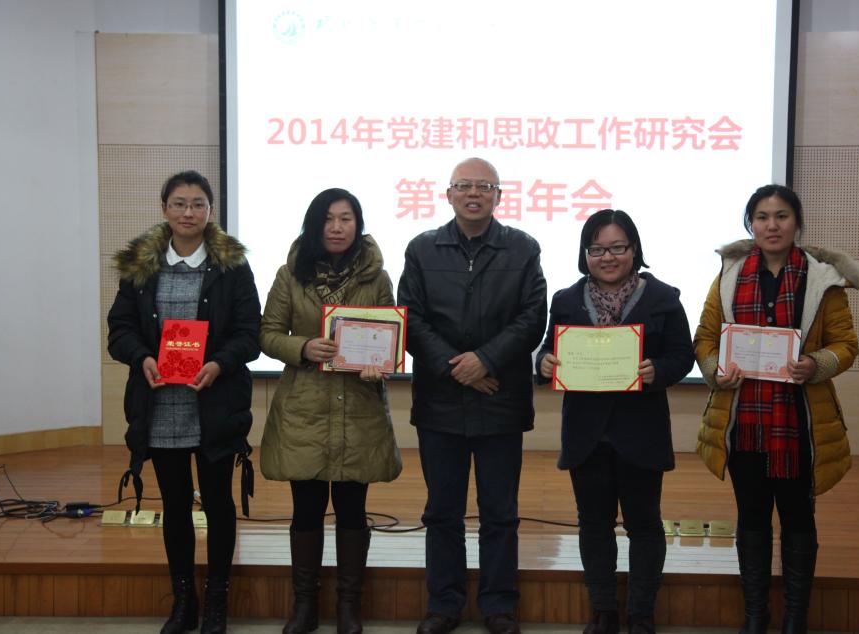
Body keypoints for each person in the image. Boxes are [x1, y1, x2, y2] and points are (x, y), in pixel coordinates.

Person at [694, 185, 859, 634]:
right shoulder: (729, 276)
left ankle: (794, 618)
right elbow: (705, 338)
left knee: (797, 516)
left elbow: (846, 345)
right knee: (751, 516)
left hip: (799, 421)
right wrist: (715, 370)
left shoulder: (822, 280)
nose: (772, 225)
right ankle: (756, 615)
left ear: (797, 223)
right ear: (750, 224)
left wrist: (816, 364)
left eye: (782, 216)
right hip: (743, 419)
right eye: (762, 217)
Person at [397, 158, 547, 634]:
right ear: (449, 194)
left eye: (484, 186)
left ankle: (499, 604)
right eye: (464, 186)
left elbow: (532, 317)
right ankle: (444, 604)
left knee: (500, 513)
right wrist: (459, 368)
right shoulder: (422, 249)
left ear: (499, 196)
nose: (474, 194)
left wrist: (485, 359)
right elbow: (411, 319)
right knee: (442, 512)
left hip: (501, 398)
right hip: (440, 403)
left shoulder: (523, 248)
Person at [108, 170, 261, 634]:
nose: (188, 212)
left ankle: (216, 601)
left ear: (210, 211)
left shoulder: (232, 267)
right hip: (160, 406)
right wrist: (142, 357)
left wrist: (218, 363)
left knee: (217, 503)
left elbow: (249, 334)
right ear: (164, 209)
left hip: (214, 404)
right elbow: (119, 330)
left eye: (198, 204)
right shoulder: (141, 266)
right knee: (175, 506)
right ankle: (183, 602)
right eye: (179, 203)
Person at [535, 210, 693, 634]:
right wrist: (544, 362)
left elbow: (683, 355)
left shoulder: (662, 297)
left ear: (634, 250)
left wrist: (658, 370)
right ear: (585, 254)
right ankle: (603, 610)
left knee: (644, 525)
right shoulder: (566, 300)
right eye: (597, 249)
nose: (607, 257)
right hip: (587, 434)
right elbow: (548, 350)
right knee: (594, 525)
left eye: (617, 247)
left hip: (641, 431)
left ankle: (641, 613)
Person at [259, 188, 402, 634]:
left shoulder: (377, 278)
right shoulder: (290, 274)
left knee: (352, 508)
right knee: (306, 508)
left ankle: (348, 607)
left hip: (358, 406)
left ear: (358, 225)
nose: (337, 227)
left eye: (346, 218)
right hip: (305, 407)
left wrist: (380, 364)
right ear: (314, 225)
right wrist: (302, 347)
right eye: (328, 219)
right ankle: (304, 606)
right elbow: (267, 333)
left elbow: (389, 336)